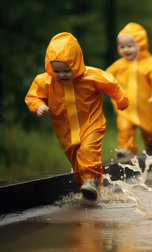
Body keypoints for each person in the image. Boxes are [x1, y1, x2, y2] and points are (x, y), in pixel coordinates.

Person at [25, 32, 129, 201]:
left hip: (91, 124)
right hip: (65, 132)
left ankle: (91, 181)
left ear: (77, 64)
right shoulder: (45, 81)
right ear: (50, 67)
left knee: (89, 151)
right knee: (78, 166)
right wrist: (38, 106)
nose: (62, 75)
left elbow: (112, 85)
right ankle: (92, 192)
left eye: (67, 70)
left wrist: (122, 100)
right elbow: (32, 96)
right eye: (57, 71)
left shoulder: (92, 76)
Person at [106, 22, 152, 158]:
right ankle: (126, 150)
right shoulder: (119, 65)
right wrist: (94, 87)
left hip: (146, 107)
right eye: (122, 46)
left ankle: (151, 144)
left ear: (140, 45)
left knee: (150, 131)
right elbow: (105, 77)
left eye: (130, 46)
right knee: (124, 127)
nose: (126, 50)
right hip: (125, 107)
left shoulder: (150, 64)